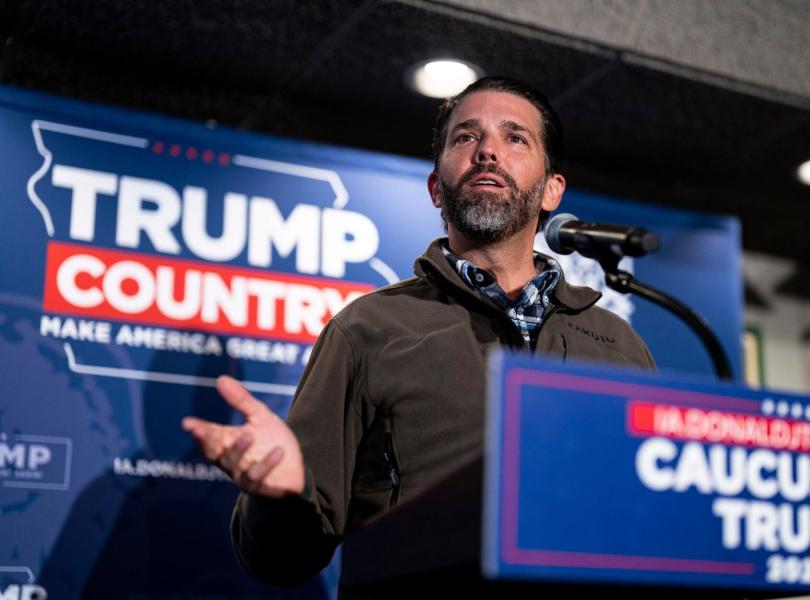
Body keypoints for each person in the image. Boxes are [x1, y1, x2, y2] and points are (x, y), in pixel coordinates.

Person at [182, 76, 656, 587]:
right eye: (465, 138)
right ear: (436, 187)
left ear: (552, 190)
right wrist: (278, 497)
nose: (488, 152)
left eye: (515, 137)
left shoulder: (621, 346)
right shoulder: (367, 330)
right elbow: (279, 560)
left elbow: (653, 526)